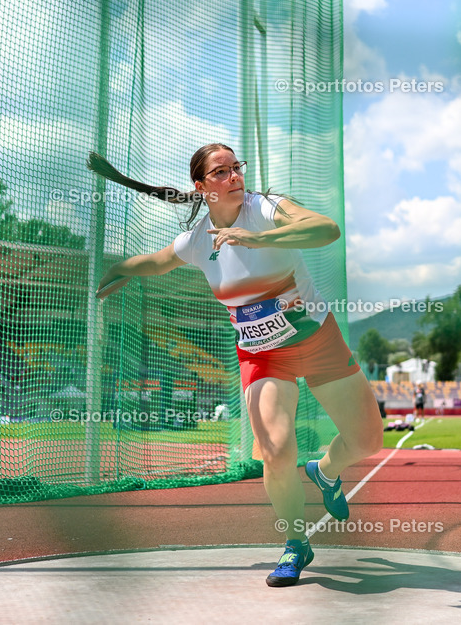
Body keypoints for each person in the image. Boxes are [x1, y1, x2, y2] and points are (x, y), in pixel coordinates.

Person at [97, 144, 383, 587]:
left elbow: (326, 230)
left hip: (317, 338)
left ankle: (325, 471)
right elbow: (156, 262)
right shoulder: (197, 243)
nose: (234, 176)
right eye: (221, 172)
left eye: (237, 168)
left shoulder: (267, 209)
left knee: (366, 440)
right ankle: (295, 543)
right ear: (202, 186)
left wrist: (260, 238)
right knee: (276, 448)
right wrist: (118, 267)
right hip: (262, 355)